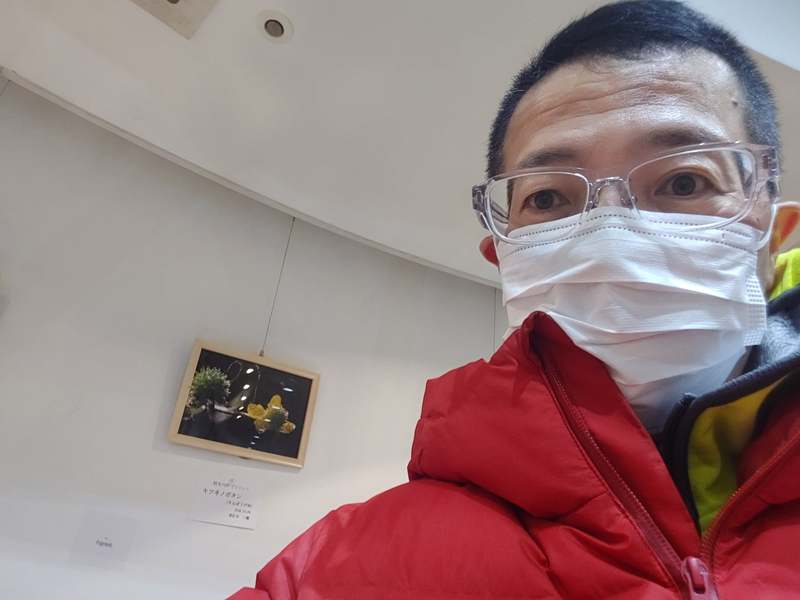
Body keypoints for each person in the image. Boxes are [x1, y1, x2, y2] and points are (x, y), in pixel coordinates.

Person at [230, 1, 800, 598]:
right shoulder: (347, 572)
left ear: (774, 233)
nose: (612, 237)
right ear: (505, 258)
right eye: (548, 198)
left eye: (684, 181)